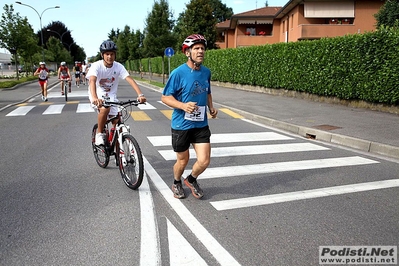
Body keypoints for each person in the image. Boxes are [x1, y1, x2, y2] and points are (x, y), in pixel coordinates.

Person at [161, 34, 218, 199]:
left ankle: (191, 179)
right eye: (196, 48)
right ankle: (176, 181)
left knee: (204, 160)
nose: (200, 51)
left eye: (202, 48)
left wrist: (211, 107)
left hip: (200, 124)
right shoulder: (178, 73)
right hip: (181, 125)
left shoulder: (206, 72)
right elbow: (165, 97)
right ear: (188, 52)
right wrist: (183, 105)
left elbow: (207, 91)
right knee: (183, 160)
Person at [87, 40, 146, 146]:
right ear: (102, 55)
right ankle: (99, 133)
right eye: (107, 54)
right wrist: (95, 98)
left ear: (115, 55)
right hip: (97, 94)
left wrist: (140, 95)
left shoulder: (118, 66)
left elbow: (130, 79)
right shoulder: (96, 66)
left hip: (111, 97)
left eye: (112, 54)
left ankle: (119, 152)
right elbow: (92, 81)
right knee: (105, 108)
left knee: (117, 123)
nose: (110, 57)